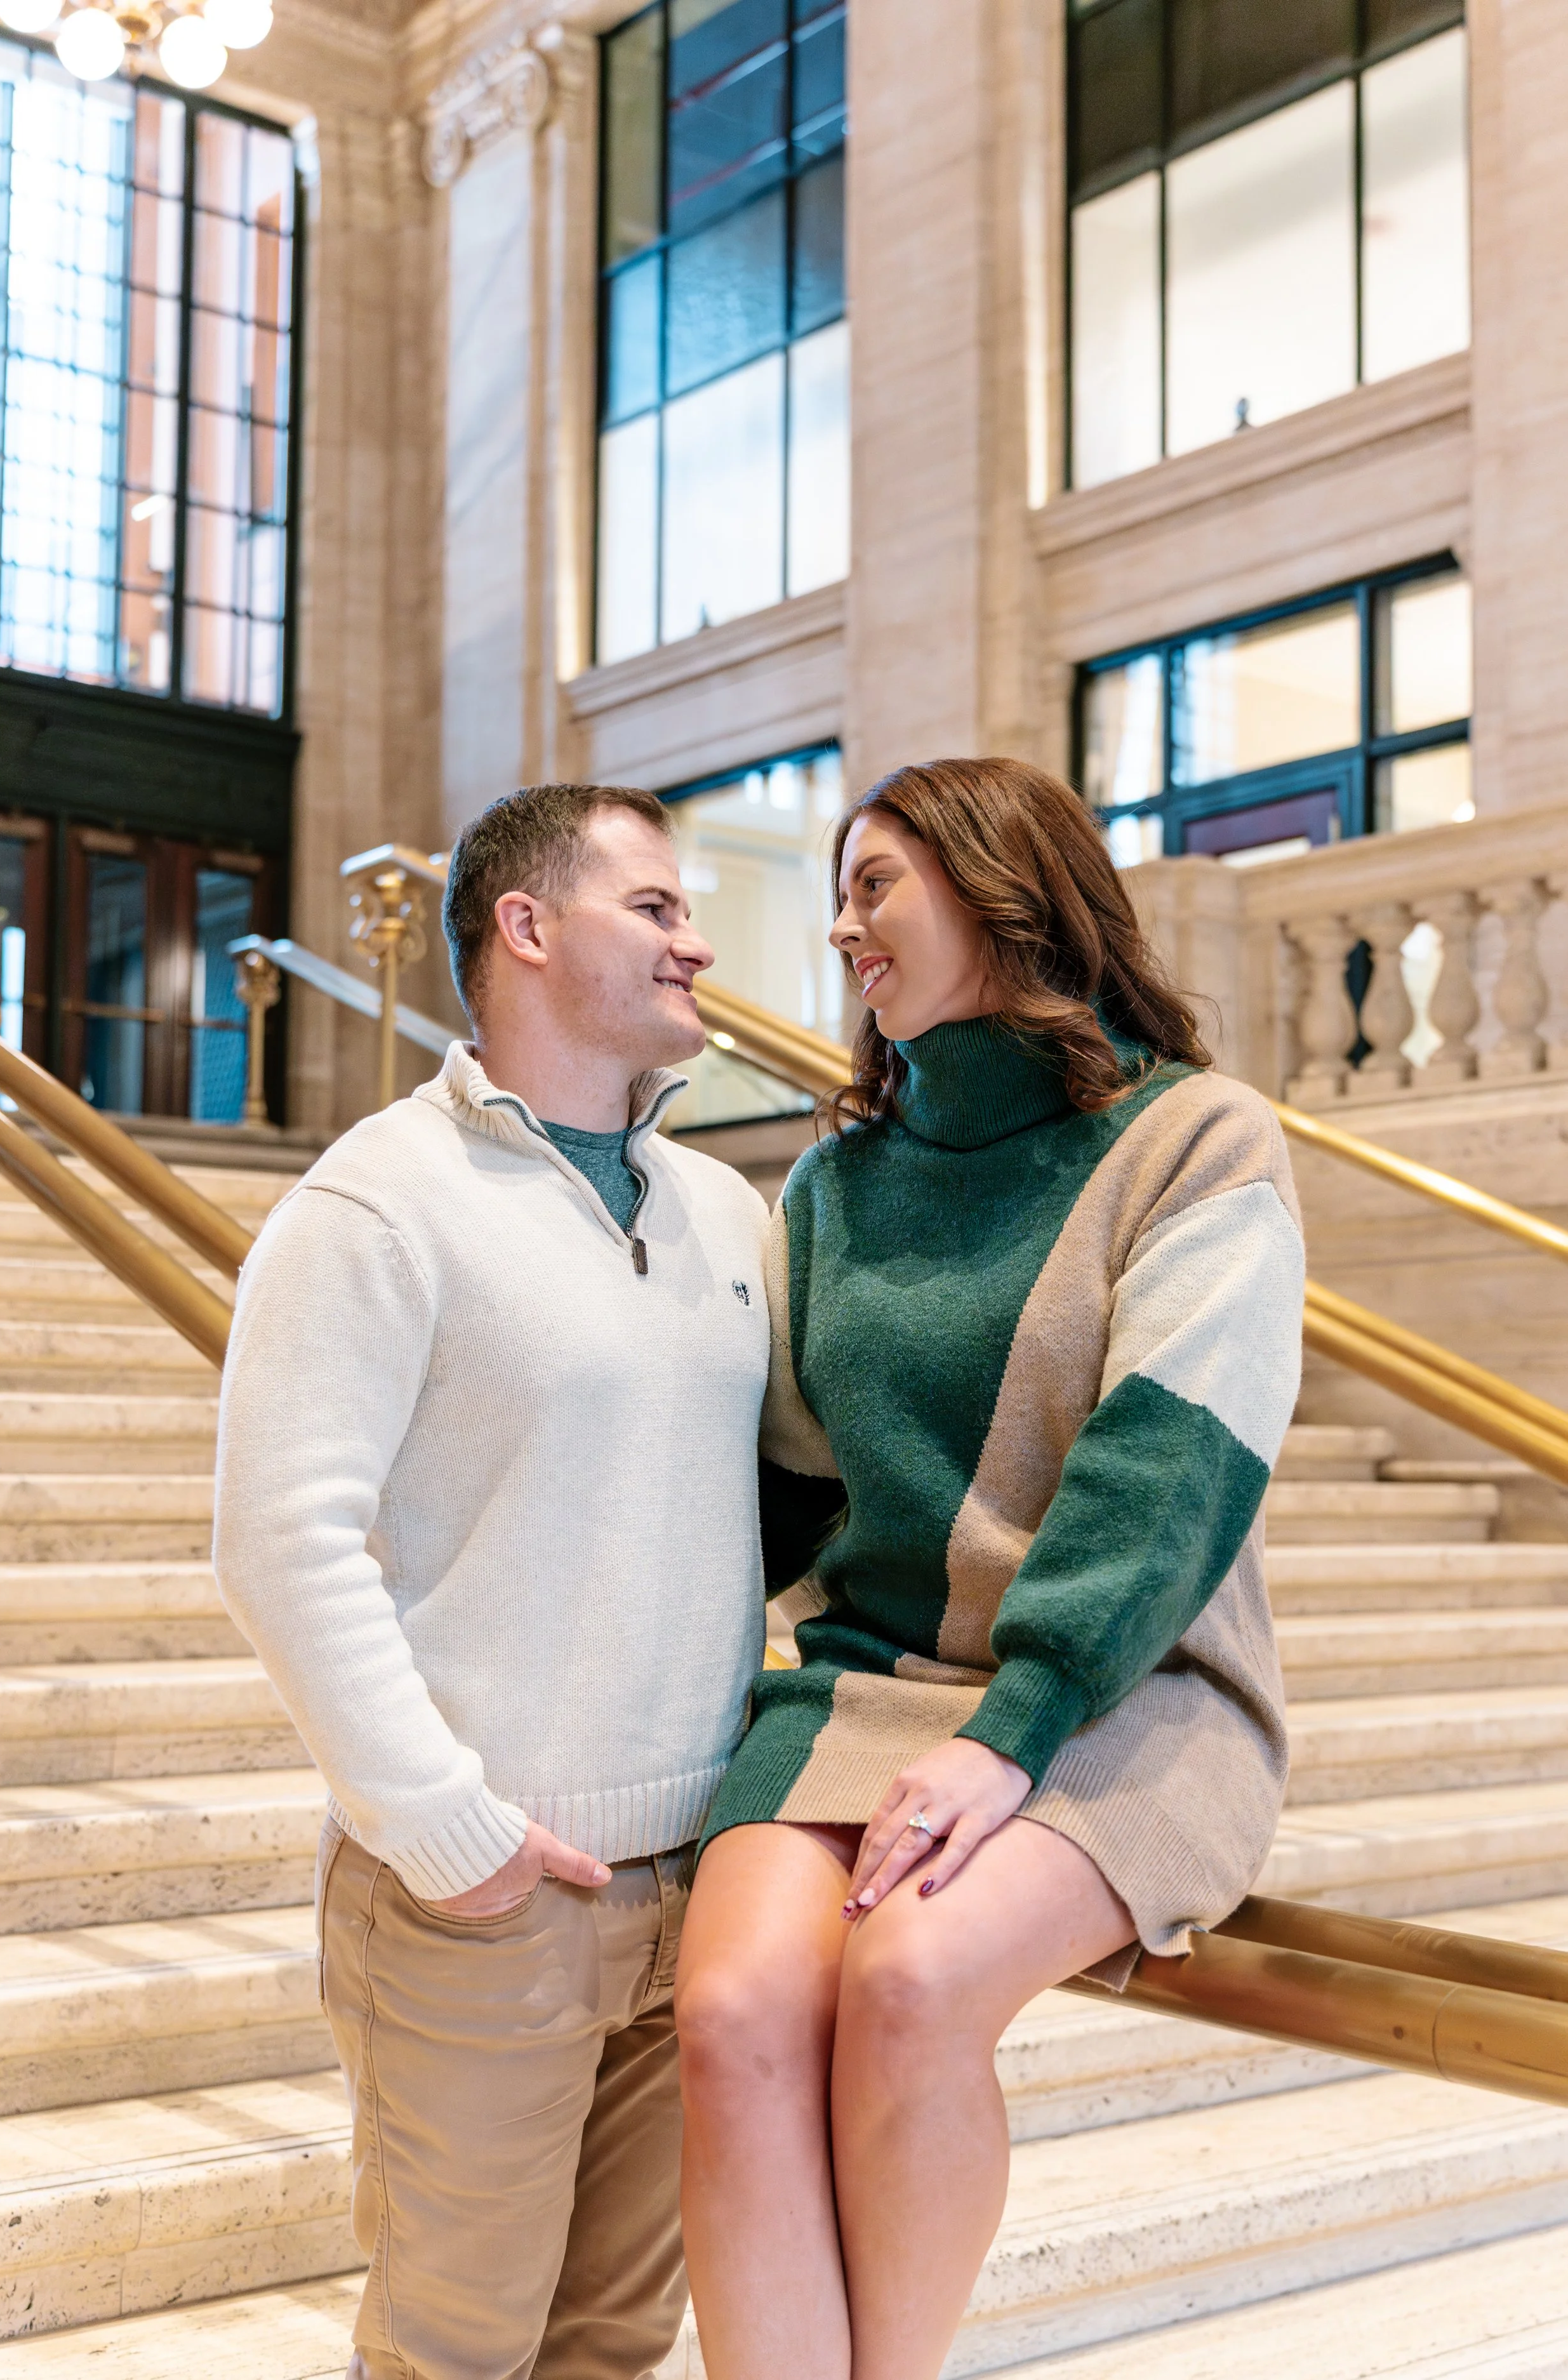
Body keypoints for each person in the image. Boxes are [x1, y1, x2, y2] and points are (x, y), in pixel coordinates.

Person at [675, 756, 1306, 2380]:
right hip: (866, 1686)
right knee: (733, 2020)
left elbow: (1169, 1474)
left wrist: (1007, 1731)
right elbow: (798, 1494)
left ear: (995, 886)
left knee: (909, 1979)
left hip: (1119, 1685)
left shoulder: (1194, 1140)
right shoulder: (826, 1186)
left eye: (873, 882)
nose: (839, 927)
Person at [213, 783, 772, 2380]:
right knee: (455, 2351)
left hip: (698, 1889)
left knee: (609, 2341)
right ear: (524, 928)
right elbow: (278, 1537)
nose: (699, 942)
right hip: (484, 1905)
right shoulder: (377, 1201)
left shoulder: (722, 1206)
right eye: (655, 909)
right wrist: (443, 1829)